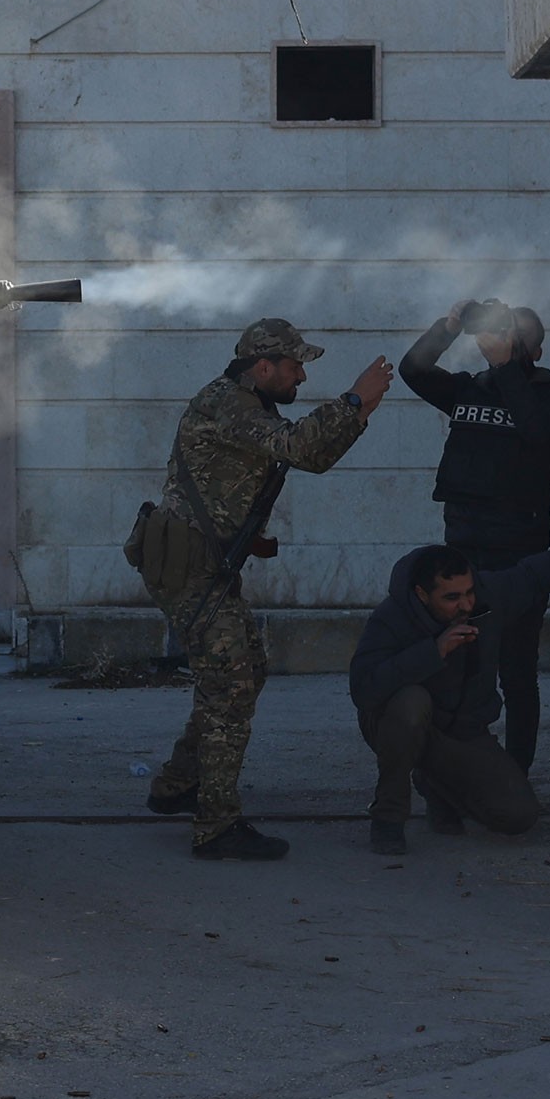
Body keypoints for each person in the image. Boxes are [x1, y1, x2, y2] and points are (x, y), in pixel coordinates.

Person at [131, 319, 395, 862]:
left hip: (200, 561)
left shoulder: (245, 403)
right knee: (230, 685)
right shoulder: (229, 405)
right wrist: (352, 399)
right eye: (296, 365)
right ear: (263, 366)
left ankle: (179, 783)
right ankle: (215, 826)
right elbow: (298, 447)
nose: (301, 374)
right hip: (188, 565)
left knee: (242, 669)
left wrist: (358, 412)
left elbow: (310, 456)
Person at [397, 299, 550, 767]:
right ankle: (458, 776)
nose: (502, 338)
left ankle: (515, 776)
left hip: (520, 553)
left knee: (517, 674)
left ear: (533, 350)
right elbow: (413, 370)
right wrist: (450, 326)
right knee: (459, 669)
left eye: (515, 334)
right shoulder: (469, 389)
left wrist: (505, 365)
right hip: (464, 555)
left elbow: (537, 434)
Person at [348, 528, 550, 855]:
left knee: (518, 816)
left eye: (468, 592)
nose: (465, 604)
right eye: (451, 598)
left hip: (464, 732)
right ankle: (388, 817)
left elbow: (531, 576)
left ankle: (437, 787)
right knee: (412, 703)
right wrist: (433, 652)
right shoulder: (392, 618)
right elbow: (364, 688)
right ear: (422, 594)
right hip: (396, 724)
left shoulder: (487, 595)